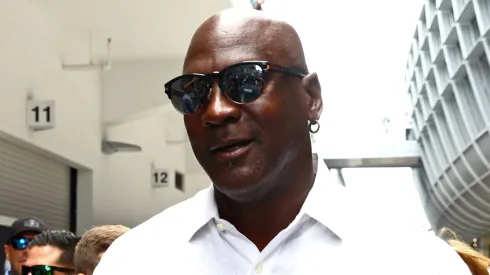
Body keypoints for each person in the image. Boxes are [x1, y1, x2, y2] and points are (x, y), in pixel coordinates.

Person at [94, 9, 472, 274]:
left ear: (311, 98)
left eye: (245, 81)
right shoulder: (134, 262)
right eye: (193, 93)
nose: (216, 110)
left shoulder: (414, 263)